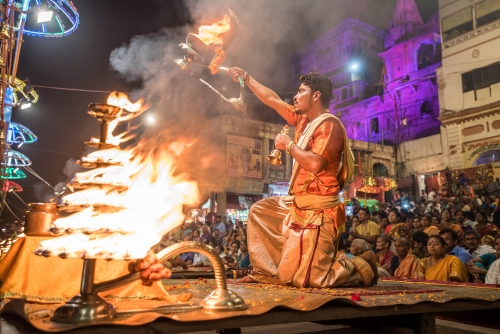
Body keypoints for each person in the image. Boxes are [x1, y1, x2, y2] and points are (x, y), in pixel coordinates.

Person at [227, 68, 377, 288]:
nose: (295, 96)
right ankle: (266, 271)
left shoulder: (330, 125)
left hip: (319, 209)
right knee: (259, 212)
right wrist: (247, 77)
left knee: (313, 280)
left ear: (316, 95)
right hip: (296, 203)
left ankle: (363, 262)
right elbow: (272, 99)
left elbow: (316, 163)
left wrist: (288, 145)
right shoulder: (302, 120)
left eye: (300, 91)